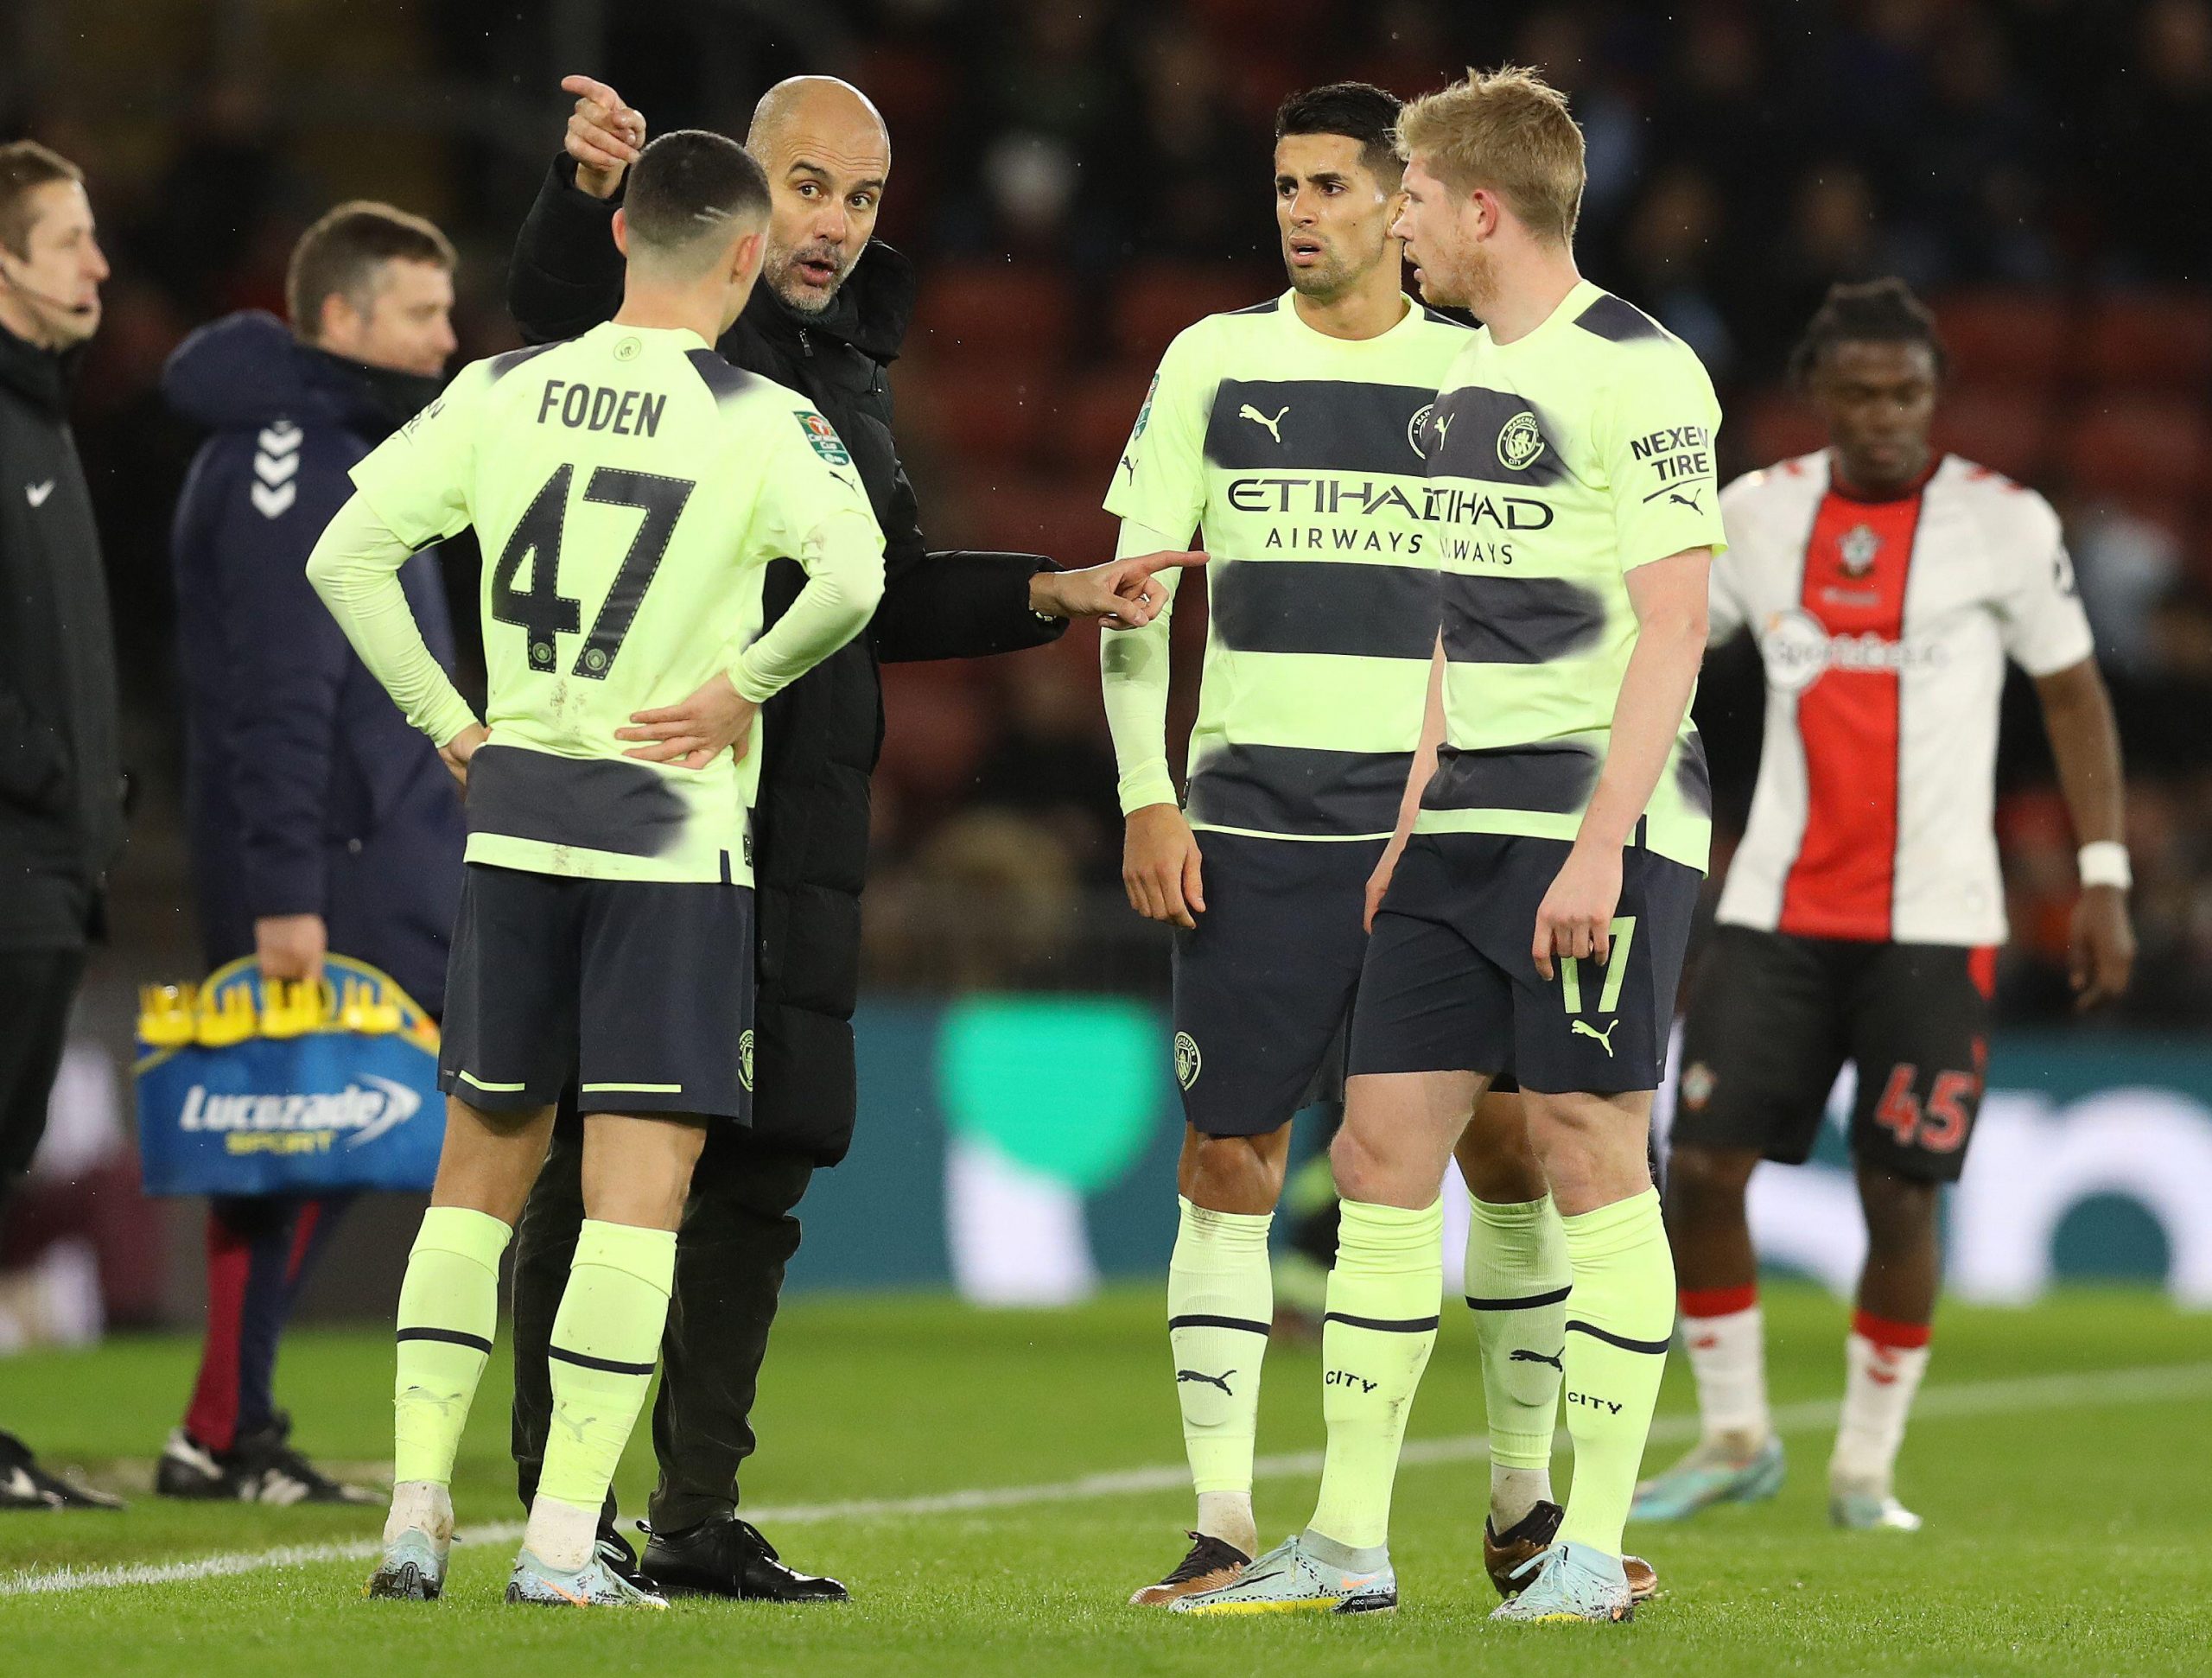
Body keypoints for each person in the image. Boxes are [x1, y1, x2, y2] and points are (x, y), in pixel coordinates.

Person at [503, 74, 1194, 1599]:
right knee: (610, 1148)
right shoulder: (677, 317)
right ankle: (566, 1500)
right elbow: (556, 327)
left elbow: (879, 589)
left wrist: (1047, 589)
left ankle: (691, 1513)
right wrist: (579, 197)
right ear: (738, 188)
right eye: (807, 187)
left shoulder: (849, 362)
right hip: (662, 808)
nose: (834, 225)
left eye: (864, 199)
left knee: (761, 1164)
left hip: (808, 813)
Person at [309, 130, 890, 1609]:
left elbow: (345, 556)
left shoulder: (498, 389)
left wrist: (450, 721)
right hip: (664, 843)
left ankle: (414, 1512)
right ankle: (566, 1543)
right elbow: (861, 573)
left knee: (479, 1177)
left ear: (624, 231)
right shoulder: (760, 414)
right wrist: (742, 685)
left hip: (515, 831)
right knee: (643, 1188)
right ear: (746, 255)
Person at [1179, 66, 1724, 1624]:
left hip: (1590, 823)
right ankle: (1348, 1542)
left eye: (1408, 196)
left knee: (1583, 1149)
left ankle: (1590, 1552)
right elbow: (1457, 628)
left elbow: (1675, 628)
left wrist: (1603, 844)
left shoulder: (1641, 371)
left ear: (1481, 207)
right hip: (1458, 822)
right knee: (1375, 1154)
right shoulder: (1471, 382)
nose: (1392, 222)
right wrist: (1413, 804)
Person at [1634, 279, 2133, 1532]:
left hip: (1937, 918)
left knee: (1902, 1188)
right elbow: (1666, 642)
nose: (1882, 416)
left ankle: (1865, 1464)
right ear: (1819, 396)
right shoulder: (1757, 515)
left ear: (1936, 395)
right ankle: (1737, 1432)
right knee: (1698, 1165)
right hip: (1776, 908)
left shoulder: (2004, 525)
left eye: (1905, 391)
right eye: (1857, 392)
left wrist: (2106, 876)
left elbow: (2074, 696)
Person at [156, 200, 467, 1507]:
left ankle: (227, 1422)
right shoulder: (295, 458)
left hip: (378, 850)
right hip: (331, 867)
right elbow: (278, 696)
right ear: (341, 318)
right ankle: (224, 1431)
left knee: (320, 1142)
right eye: (421, 314)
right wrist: (287, 889)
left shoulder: (350, 438)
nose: (449, 344)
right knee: (300, 1142)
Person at [0, 138, 126, 1513]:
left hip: (46, 861)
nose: (98, 263)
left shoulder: (41, 412)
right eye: (69, 239)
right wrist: (51, 775)